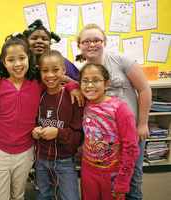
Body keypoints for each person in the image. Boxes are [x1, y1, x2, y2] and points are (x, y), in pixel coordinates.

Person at [0, 32, 79, 200]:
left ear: (29, 58)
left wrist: (73, 85)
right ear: (4, 62)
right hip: (0, 151)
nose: (17, 64)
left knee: (18, 195)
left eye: (22, 58)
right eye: (11, 60)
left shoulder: (38, 84)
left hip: (26, 151)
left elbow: (57, 82)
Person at [76, 23, 152, 200]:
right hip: (104, 138)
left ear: (104, 42)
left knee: (132, 177)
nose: (92, 44)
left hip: (130, 131)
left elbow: (144, 89)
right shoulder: (82, 72)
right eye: (86, 41)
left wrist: (142, 124)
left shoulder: (121, 60)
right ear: (79, 45)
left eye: (97, 40)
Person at [78, 62, 140, 200]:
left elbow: (131, 147)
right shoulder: (84, 103)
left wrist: (123, 181)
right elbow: (68, 84)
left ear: (106, 84)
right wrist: (73, 88)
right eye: (85, 81)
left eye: (96, 80)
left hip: (113, 173)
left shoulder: (119, 108)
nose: (89, 85)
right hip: (88, 169)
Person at [32, 50, 84, 200]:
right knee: (43, 195)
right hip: (41, 158)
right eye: (45, 70)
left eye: (55, 70)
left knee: (70, 196)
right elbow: (33, 120)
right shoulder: (39, 95)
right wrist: (35, 130)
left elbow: (79, 137)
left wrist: (58, 133)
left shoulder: (74, 97)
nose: (50, 75)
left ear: (64, 70)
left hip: (65, 160)